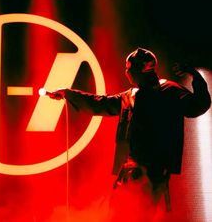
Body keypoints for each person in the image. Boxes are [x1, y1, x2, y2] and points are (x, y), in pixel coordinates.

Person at [48, 47, 211, 208]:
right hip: (130, 169)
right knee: (119, 212)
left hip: (154, 173)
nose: (127, 72)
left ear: (140, 69)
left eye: (129, 68)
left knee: (144, 213)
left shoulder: (170, 91)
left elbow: (198, 106)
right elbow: (100, 103)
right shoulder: (130, 95)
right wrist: (68, 94)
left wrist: (195, 76)